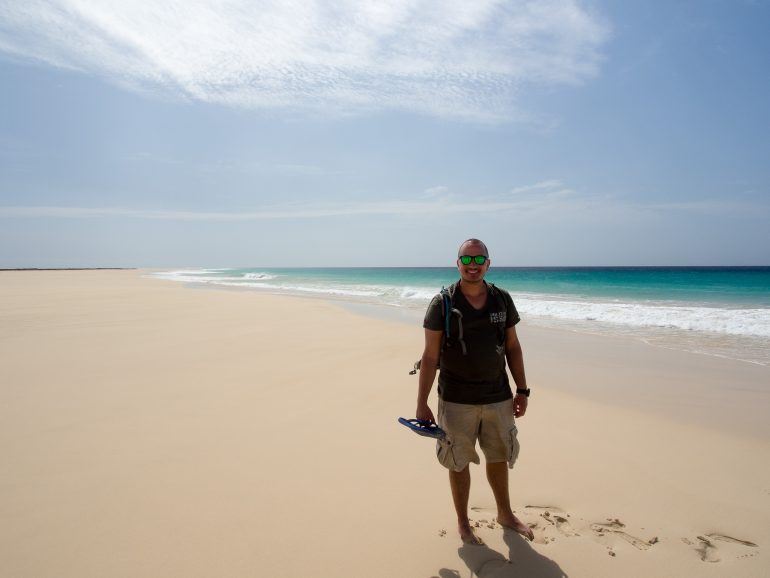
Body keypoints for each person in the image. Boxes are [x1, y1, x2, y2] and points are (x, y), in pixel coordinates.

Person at [416, 238, 533, 545]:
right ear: (457, 264)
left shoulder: (502, 300)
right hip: (456, 399)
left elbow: (513, 347)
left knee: (499, 455)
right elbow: (429, 357)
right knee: (458, 461)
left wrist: (522, 390)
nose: (472, 265)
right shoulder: (442, 304)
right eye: (466, 260)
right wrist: (421, 403)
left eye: (478, 259)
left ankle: (505, 514)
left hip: (498, 397)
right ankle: (463, 523)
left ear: (488, 263)